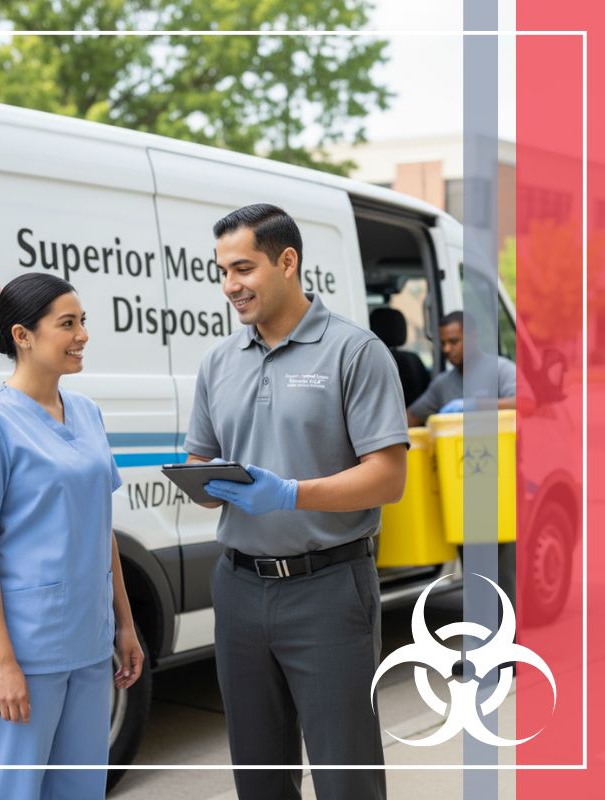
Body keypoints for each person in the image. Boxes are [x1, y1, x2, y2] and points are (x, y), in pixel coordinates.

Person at [184, 204, 409, 800]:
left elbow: (388, 477)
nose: (230, 286)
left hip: (328, 589)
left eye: (243, 268)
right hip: (237, 587)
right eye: (222, 272)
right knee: (258, 776)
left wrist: (288, 494)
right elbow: (204, 460)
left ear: (287, 262)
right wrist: (201, 482)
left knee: (346, 775)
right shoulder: (217, 362)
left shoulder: (355, 352)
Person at [0, 273, 143, 800]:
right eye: (68, 324)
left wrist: (123, 625)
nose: (82, 334)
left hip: (86, 644)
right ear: (23, 335)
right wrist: (3, 663)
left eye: (83, 322)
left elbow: (100, 529)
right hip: (22, 654)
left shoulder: (88, 414)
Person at [406, 310, 517, 426]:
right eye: (443, 343)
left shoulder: (501, 369)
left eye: (453, 342)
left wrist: (476, 405)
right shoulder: (442, 384)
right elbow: (412, 416)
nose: (446, 349)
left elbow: (525, 403)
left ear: (473, 337)